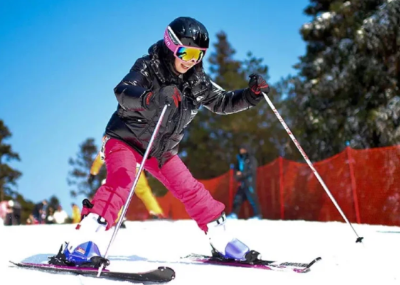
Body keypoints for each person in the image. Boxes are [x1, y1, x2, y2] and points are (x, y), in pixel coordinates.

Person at [49, 16, 269, 268]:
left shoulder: (197, 80)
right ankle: (82, 242)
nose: (191, 61)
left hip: (161, 151)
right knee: (121, 181)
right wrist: (152, 97)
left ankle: (221, 239)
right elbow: (123, 91)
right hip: (125, 140)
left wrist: (250, 96)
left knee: (191, 189)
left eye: (198, 55)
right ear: (171, 45)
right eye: (186, 53)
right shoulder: (148, 66)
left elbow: (221, 102)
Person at [88, 150, 165, 218]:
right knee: (143, 191)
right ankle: (157, 212)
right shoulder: (129, 137)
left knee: (119, 193)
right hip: (135, 168)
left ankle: (117, 218)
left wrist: (93, 173)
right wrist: (146, 169)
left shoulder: (109, 142)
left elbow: (100, 159)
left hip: (121, 168)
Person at [227, 144, 262, 219]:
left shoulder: (251, 159)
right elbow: (236, 169)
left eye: (243, 149)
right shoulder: (240, 159)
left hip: (249, 183)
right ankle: (234, 214)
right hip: (242, 183)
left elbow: (251, 171)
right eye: (240, 149)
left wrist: (242, 174)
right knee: (237, 199)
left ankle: (258, 215)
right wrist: (237, 175)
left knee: (253, 199)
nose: (241, 150)